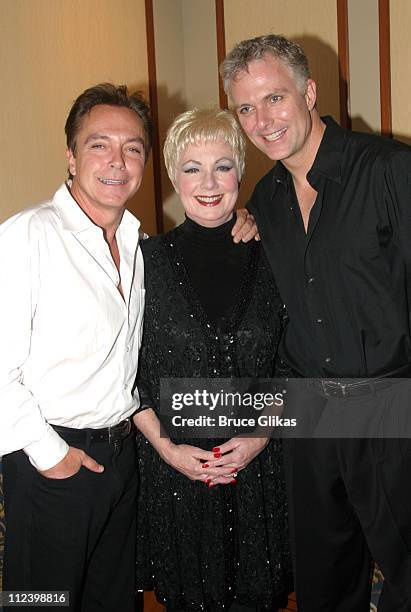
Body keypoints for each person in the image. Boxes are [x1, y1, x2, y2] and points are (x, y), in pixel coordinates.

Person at [0, 83, 255, 610]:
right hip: (51, 459)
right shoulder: (28, 236)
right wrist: (52, 457)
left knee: (115, 599)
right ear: (70, 155)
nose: (117, 161)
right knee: (37, 600)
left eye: (132, 148)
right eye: (99, 144)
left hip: (122, 459)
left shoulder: (142, 249)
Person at [220, 34, 411, 612]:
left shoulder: (389, 171)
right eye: (246, 108)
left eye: (275, 98)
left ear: (308, 91)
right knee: (325, 583)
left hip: (390, 411)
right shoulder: (266, 199)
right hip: (310, 418)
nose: (263, 120)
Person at [133, 108, 293, 612]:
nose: (208, 182)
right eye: (192, 167)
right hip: (176, 473)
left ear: (240, 173)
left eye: (222, 166)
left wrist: (257, 437)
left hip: (260, 471)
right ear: (172, 177)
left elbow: (294, 364)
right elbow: (128, 375)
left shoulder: (277, 258)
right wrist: (168, 450)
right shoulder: (142, 262)